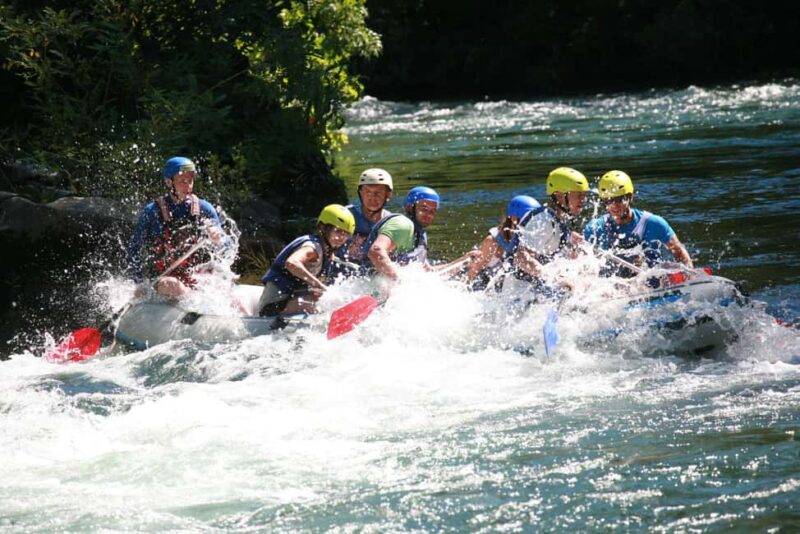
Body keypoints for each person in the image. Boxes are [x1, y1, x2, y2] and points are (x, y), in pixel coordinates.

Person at [127, 156, 227, 299]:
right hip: (163, 278)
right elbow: (135, 248)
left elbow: (227, 246)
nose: (188, 186)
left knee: (223, 284)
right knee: (173, 285)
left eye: (190, 181)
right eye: (182, 181)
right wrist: (139, 282)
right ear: (169, 182)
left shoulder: (205, 209)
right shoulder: (152, 211)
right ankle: (194, 303)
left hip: (195, 274)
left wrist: (218, 239)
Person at [583, 170, 693, 275]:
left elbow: (679, 252)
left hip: (651, 279)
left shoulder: (654, 223)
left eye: (619, 199)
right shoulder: (594, 228)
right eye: (608, 201)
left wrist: (691, 275)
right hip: (616, 285)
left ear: (630, 197)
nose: (614, 205)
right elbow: (584, 264)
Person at [257, 204, 355, 316]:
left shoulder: (326, 252)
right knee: (322, 302)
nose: (342, 237)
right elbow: (292, 263)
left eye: (346, 234)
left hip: (287, 300)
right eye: (338, 231)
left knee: (322, 296)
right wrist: (318, 284)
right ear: (323, 228)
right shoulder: (312, 247)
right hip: (271, 307)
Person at [514, 167, 589, 280]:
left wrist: (571, 237)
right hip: (520, 292)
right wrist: (554, 279)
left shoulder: (556, 219)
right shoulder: (543, 221)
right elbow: (521, 258)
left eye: (584, 195)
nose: (584, 199)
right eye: (579, 195)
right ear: (559, 195)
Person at [363, 186, 441, 281]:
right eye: (424, 209)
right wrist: (400, 282)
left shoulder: (419, 234)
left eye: (432, 211)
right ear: (409, 208)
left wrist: (462, 262)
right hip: (371, 285)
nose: (429, 215)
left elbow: (428, 272)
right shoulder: (402, 224)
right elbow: (376, 251)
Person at [464, 195, 541, 289]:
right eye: (528, 221)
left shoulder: (530, 239)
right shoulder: (492, 242)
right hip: (488, 292)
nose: (532, 226)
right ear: (513, 219)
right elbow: (471, 276)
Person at [336, 168, 394, 267]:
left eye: (378, 193)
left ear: (388, 194)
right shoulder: (344, 215)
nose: (372, 198)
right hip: (341, 268)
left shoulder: (391, 222)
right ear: (360, 193)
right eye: (367, 192)